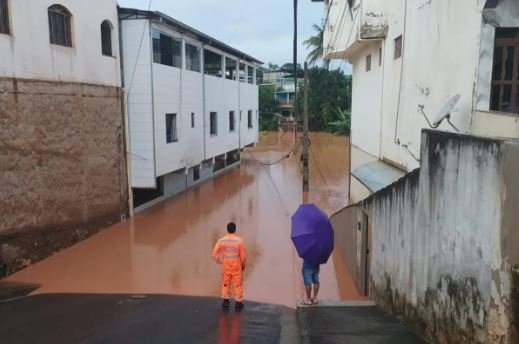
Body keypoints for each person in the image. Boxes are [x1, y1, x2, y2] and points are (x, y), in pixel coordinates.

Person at [212, 222, 247, 310]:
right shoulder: (239, 241)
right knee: (238, 284)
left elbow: (214, 254)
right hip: (236, 266)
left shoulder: (221, 240)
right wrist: (243, 265)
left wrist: (220, 261)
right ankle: (238, 303)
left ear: (227, 229)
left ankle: (225, 301)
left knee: (225, 283)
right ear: (235, 229)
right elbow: (243, 256)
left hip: (226, 266)